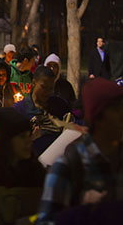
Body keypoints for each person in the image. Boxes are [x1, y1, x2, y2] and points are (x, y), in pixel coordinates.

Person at [36, 78, 123, 225]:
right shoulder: (68, 165)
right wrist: (84, 211)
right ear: (99, 117)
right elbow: (45, 221)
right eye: (118, 111)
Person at [14, 66, 72, 155]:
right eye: (43, 87)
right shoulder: (19, 109)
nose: (47, 92)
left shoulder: (60, 105)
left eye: (51, 88)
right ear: (33, 83)